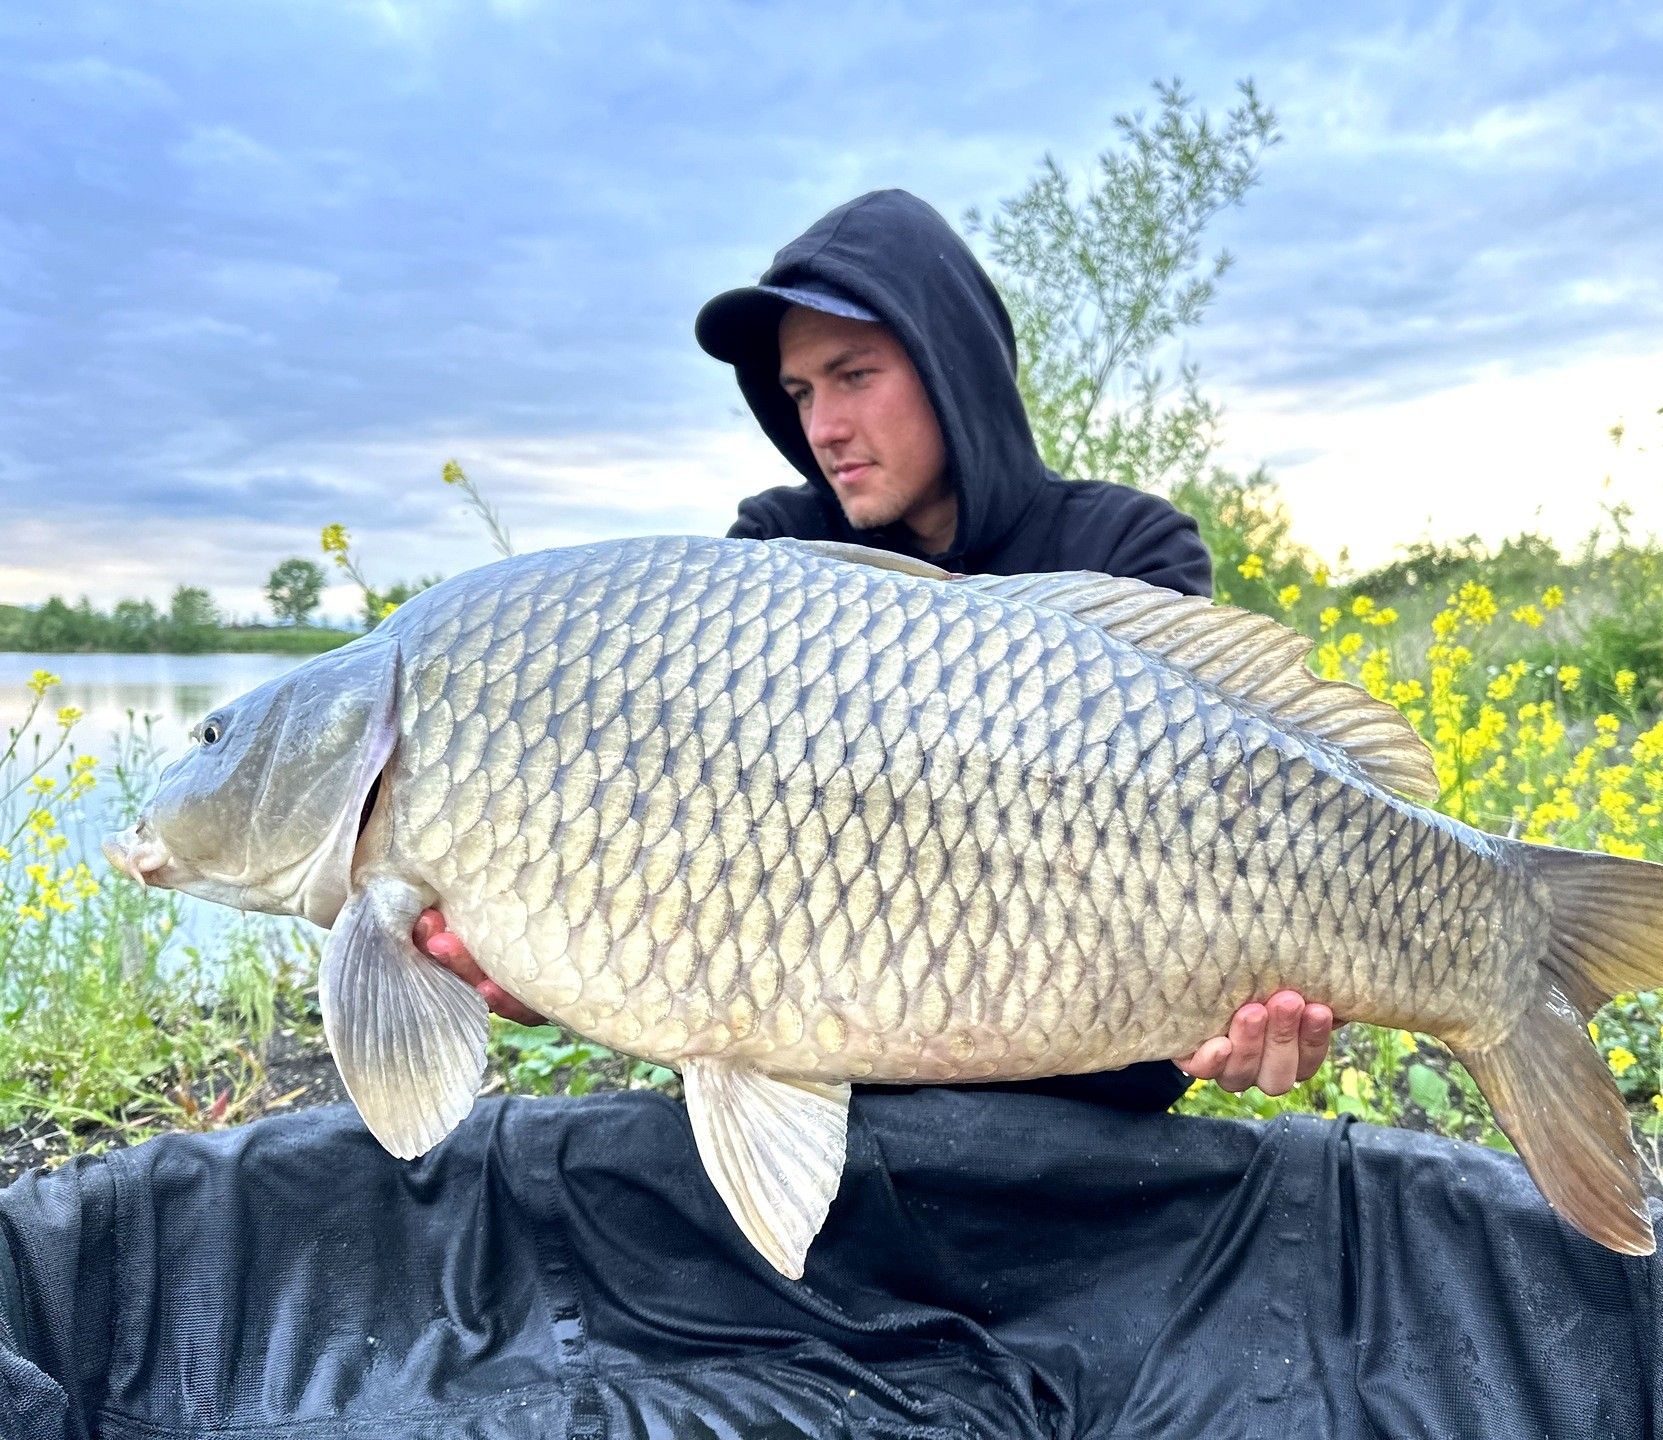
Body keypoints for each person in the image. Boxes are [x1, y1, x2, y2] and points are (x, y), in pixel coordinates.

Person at [413, 187, 1337, 1107]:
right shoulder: (772, 560)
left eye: (854, 376)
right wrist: (552, 954)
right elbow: (701, 863)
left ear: (955, 372)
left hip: (1091, 1121)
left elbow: (1219, 833)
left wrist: (1239, 1017)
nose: (823, 428)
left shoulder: (1126, 548)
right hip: (846, 1114)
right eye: (800, 393)